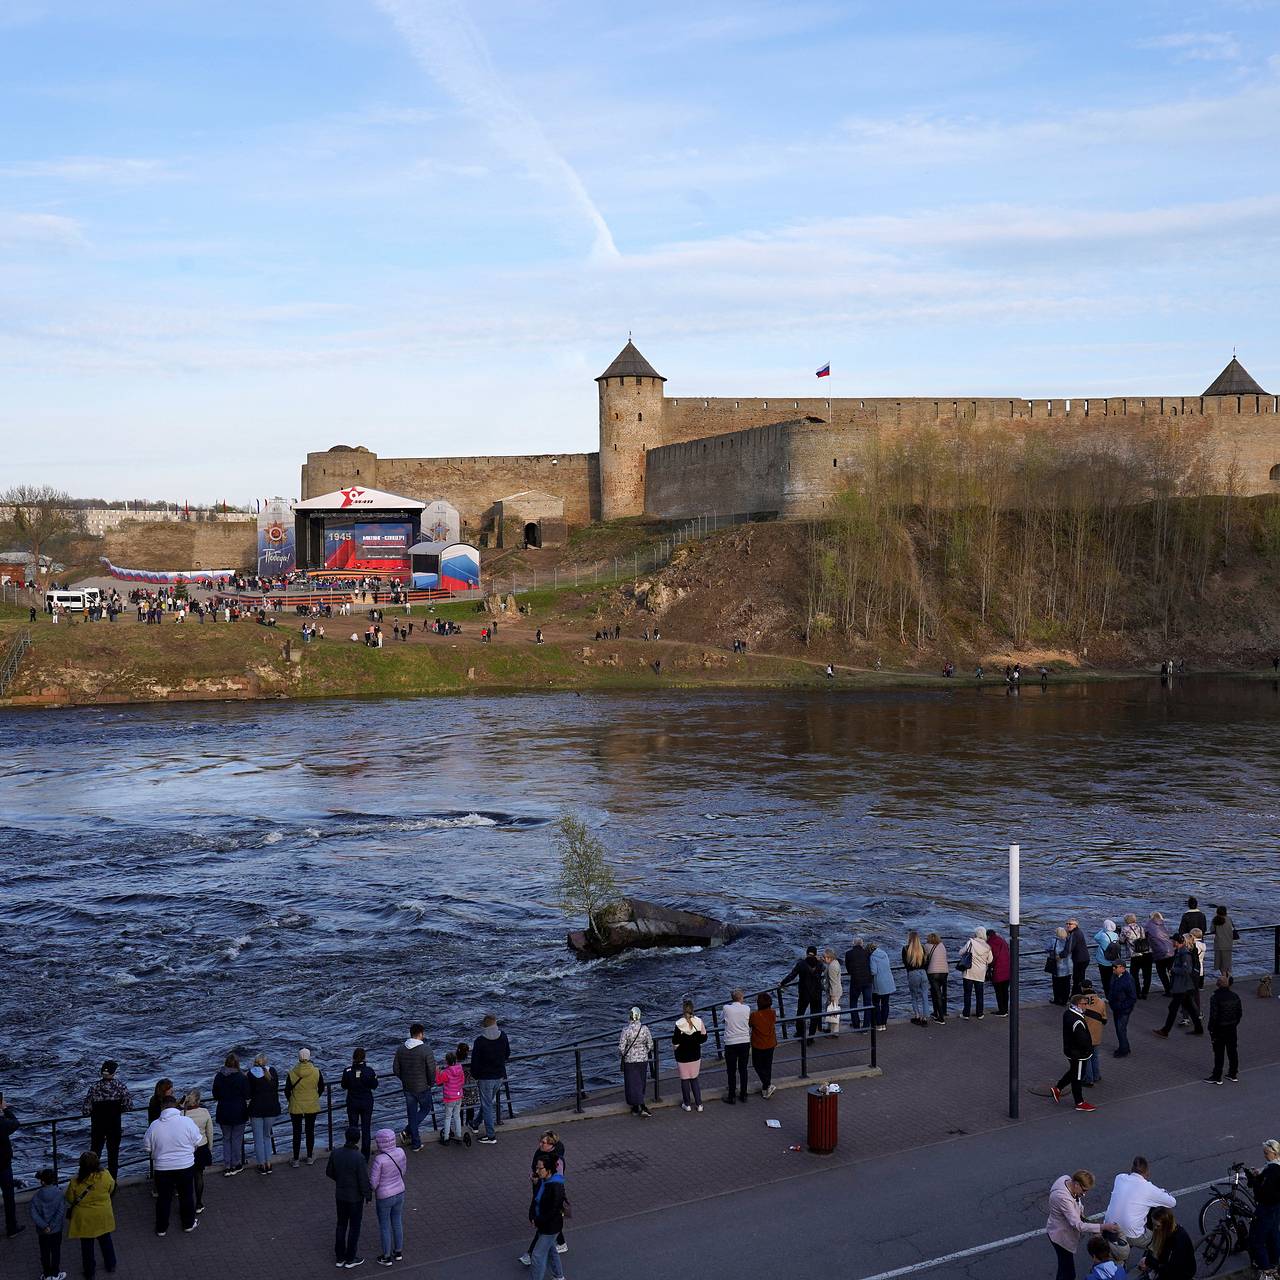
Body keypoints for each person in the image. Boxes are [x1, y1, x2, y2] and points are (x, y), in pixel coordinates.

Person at [143, 1097, 201, 1237]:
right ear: (175, 1107)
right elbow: (197, 1140)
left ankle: (161, 1228)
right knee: (186, 1195)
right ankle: (188, 1223)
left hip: (163, 1168)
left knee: (163, 1198)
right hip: (185, 1165)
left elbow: (147, 1147)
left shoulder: (154, 1125)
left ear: (162, 1108)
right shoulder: (186, 1121)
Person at [1046, 1170, 1115, 1280]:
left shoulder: (1066, 1180)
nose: (1084, 1194)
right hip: (1061, 1237)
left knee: (1063, 1267)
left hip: (1056, 1230)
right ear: (1076, 1184)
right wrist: (1102, 1227)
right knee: (1069, 1274)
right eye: (1083, 1190)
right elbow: (1078, 1225)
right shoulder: (1063, 1198)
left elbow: (1077, 1204)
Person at [1102, 1156, 1175, 1257]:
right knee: (1160, 1240)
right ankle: (1151, 1261)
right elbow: (1172, 1202)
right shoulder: (1148, 1188)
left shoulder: (1119, 1178)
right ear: (1147, 1173)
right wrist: (1162, 1191)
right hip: (1132, 1235)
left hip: (1109, 1227)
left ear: (1132, 1169)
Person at [326, 1125, 372, 1270]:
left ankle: (340, 1257)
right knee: (354, 1227)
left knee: (341, 1225)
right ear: (358, 1140)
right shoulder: (359, 1158)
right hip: (355, 1198)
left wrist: (340, 1180)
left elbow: (329, 1172)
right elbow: (363, 1180)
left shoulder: (336, 1153)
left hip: (340, 1196)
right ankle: (351, 1257)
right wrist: (368, 1195)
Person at [64, 1152, 116, 1279]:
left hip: (85, 1218)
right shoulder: (105, 1175)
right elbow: (111, 1188)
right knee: (106, 1241)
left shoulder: (75, 1181)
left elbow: (70, 1198)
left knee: (87, 1247)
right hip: (102, 1214)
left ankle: (89, 1272)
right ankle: (111, 1265)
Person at [519, 1132, 567, 1266]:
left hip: (547, 1192)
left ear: (551, 1145)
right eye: (540, 1141)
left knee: (545, 1226)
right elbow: (535, 1167)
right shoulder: (539, 1153)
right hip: (541, 1189)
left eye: (543, 1142)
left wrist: (537, 1219)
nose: (540, 1144)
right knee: (551, 1227)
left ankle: (530, 1254)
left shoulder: (557, 1162)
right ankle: (561, 1243)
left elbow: (556, 1181)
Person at [81, 1061, 132, 1182]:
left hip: (98, 1126)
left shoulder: (94, 1087)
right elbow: (128, 1106)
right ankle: (112, 1183)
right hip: (114, 1125)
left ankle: (91, 1181)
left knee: (95, 1153)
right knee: (113, 1156)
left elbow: (86, 1110)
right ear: (114, 1073)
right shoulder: (120, 1086)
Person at [391, 1023, 437, 1153]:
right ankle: (408, 1131)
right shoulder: (426, 1049)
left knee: (411, 1114)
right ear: (421, 1034)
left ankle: (416, 1143)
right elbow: (431, 1070)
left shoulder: (401, 1049)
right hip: (423, 1086)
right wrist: (430, 1083)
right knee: (426, 1108)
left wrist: (404, 1079)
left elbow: (395, 1069)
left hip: (408, 1087)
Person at [1153, 934, 1204, 1038]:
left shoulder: (1184, 954)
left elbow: (1187, 970)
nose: (1172, 942)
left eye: (1173, 941)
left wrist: (1173, 970)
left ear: (1177, 942)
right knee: (1190, 1007)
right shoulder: (1181, 952)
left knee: (1173, 1008)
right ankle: (1198, 1028)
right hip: (1185, 986)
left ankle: (1165, 1030)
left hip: (1182, 986)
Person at [370, 1129, 407, 1267]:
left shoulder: (379, 1160)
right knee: (397, 1221)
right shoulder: (401, 1152)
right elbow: (403, 1171)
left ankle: (386, 1257)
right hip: (400, 1191)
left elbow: (374, 1183)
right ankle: (398, 1252)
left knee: (385, 1225)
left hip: (384, 1196)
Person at [472, 1014, 511, 1145]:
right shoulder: (503, 1036)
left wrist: (475, 1076)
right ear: (495, 1024)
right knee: (487, 1103)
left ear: (484, 1025)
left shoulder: (479, 1041)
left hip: (485, 1077)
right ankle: (475, 1124)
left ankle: (490, 1135)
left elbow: (475, 1062)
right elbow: (507, 1054)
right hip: (499, 1076)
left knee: (487, 1104)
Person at [1052, 997, 1096, 1112]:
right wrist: (1088, 1050)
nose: (1086, 1006)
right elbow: (1082, 1039)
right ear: (1078, 1004)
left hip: (1070, 1050)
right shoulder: (1077, 1020)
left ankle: (1058, 1088)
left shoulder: (1068, 1013)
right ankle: (1079, 1102)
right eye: (1084, 1003)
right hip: (1078, 1054)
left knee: (1073, 1071)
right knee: (1077, 1077)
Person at [527, 1158, 566, 1280]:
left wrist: (538, 1220)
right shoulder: (544, 1181)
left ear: (549, 1170)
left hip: (550, 1227)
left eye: (540, 1168)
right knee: (550, 1249)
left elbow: (553, 1210)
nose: (537, 1171)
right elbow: (537, 1199)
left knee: (537, 1256)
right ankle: (559, 1276)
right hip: (545, 1224)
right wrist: (533, 1216)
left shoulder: (555, 1186)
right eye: (536, 1168)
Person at [1246, 1138, 1280, 1277]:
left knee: (1257, 1239)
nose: (1264, 1155)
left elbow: (1264, 1193)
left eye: (1266, 1153)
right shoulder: (1273, 1167)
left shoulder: (1273, 1170)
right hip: (1275, 1207)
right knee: (1273, 1235)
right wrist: (1259, 1176)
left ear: (1275, 1153)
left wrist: (1254, 1180)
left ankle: (1266, 1269)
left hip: (1267, 1208)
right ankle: (1274, 1262)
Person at [212, 1053, 251, 1175]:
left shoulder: (219, 1076)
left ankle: (227, 1165)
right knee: (237, 1139)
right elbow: (247, 1095)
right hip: (239, 1111)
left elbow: (215, 1094)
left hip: (223, 1111)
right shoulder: (241, 1077)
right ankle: (237, 1164)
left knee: (226, 1139)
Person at [285, 1047, 325, 1167]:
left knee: (296, 1132)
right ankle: (309, 1157)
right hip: (311, 1105)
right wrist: (315, 1096)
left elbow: (287, 1090)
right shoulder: (316, 1071)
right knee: (310, 1131)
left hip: (296, 1105)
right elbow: (321, 1087)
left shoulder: (292, 1073)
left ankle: (296, 1159)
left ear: (299, 1057)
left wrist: (291, 1099)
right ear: (309, 1057)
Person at [1205, 972, 1242, 1084]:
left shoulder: (1215, 997)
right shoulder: (1235, 996)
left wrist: (1211, 1028)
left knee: (1219, 1052)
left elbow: (1214, 1015)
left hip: (1219, 1028)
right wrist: (1234, 1023)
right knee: (1232, 1051)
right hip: (1231, 1027)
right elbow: (1239, 1013)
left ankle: (1217, 1076)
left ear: (1218, 984)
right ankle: (1233, 1073)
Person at [28, 1167, 65, 1280]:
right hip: (56, 1230)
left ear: (42, 1181)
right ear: (53, 1180)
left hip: (42, 1231)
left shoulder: (36, 1196)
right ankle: (55, 1273)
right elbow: (60, 1212)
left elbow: (33, 1214)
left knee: (44, 1252)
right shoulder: (59, 1194)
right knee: (55, 1251)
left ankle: (46, 1273)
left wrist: (44, 1226)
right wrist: (51, 1226)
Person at [341, 1048, 379, 1159]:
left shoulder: (347, 1071)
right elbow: (375, 1085)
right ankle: (365, 1156)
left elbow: (343, 1086)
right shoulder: (369, 1071)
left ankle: (351, 1154)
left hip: (353, 1102)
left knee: (352, 1128)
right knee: (366, 1128)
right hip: (366, 1102)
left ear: (353, 1057)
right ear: (364, 1057)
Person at [181, 1089, 214, 1214]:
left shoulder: (181, 1115)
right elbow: (209, 1132)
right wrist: (210, 1148)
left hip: (186, 1149)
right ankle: (199, 1202)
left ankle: (187, 1203)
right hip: (201, 1147)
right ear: (199, 1100)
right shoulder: (205, 1112)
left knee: (186, 1178)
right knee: (199, 1175)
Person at [1140, 1207, 1195, 1280]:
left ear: (1167, 1224)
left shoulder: (1178, 1240)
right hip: (1169, 1268)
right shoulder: (1165, 1231)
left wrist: (1149, 1262)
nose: (1155, 1228)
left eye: (1157, 1226)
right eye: (1154, 1224)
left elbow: (1171, 1268)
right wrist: (1148, 1260)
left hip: (1181, 1273)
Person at [247, 1053, 281, 1174]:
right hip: (271, 1108)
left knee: (258, 1138)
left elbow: (248, 1093)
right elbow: (276, 1086)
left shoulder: (250, 1074)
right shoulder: (272, 1071)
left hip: (256, 1109)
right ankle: (269, 1163)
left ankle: (262, 1165)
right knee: (267, 1136)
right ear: (265, 1061)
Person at [784, 945, 825, 1042]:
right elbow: (824, 971)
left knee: (800, 1013)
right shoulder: (819, 964)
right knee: (814, 1014)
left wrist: (782, 983)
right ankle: (811, 1036)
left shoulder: (801, 964)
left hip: (804, 993)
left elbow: (792, 975)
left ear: (806, 953)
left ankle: (800, 1034)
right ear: (816, 954)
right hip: (816, 993)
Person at [672, 1000, 708, 1112]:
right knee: (694, 1079)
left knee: (684, 1080)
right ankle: (699, 1104)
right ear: (693, 1009)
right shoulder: (699, 1021)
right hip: (695, 1054)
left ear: (683, 1010)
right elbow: (704, 1037)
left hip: (682, 1056)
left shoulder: (679, 1024)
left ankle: (687, 1104)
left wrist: (676, 1046)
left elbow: (675, 1041)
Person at [619, 1007, 655, 1116]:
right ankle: (641, 1104)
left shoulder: (626, 1030)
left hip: (630, 1060)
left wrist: (625, 1054)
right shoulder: (645, 1029)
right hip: (642, 1059)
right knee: (640, 1082)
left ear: (630, 1016)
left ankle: (636, 1106)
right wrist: (643, 1051)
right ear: (639, 1016)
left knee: (631, 1083)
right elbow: (650, 1045)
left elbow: (621, 1048)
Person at [1076, 980, 1108, 1086]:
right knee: (1095, 1056)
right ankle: (1096, 1075)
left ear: (1083, 988)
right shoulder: (1101, 1001)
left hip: (1085, 1035)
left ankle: (1088, 1080)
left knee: (1086, 1058)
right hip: (1097, 1033)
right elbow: (1104, 1019)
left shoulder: (1080, 1003)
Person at [435, 1052, 469, 1146]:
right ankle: (459, 1136)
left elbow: (438, 1082)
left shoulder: (446, 1072)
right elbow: (462, 1081)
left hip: (449, 1098)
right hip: (459, 1096)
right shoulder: (460, 1069)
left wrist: (438, 1072)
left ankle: (446, 1138)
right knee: (457, 1116)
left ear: (446, 1061)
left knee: (447, 1117)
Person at [960, 928, 993, 1020]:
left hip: (969, 972)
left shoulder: (971, 943)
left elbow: (961, 952)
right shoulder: (987, 947)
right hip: (980, 973)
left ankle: (966, 1014)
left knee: (967, 994)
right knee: (979, 994)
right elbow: (990, 960)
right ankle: (980, 1013)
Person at [749, 992, 777, 1097]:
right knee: (767, 1065)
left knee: (757, 1065)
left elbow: (750, 1024)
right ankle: (766, 1089)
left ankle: (767, 1084)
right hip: (770, 1043)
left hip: (759, 1044)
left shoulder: (755, 1015)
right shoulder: (773, 1013)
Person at [844, 937, 874, 1033]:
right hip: (867, 981)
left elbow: (848, 969)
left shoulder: (848, 954)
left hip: (856, 981)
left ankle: (856, 1025)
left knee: (853, 1003)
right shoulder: (867, 953)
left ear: (853, 944)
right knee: (867, 1003)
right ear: (862, 944)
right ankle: (866, 1027)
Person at [1107, 961, 1137, 1058]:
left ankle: (1123, 1050)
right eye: (1113, 967)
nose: (1113, 969)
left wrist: (1121, 1006)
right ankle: (1124, 1047)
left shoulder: (1128, 980)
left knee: (1120, 1029)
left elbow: (1132, 997)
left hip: (1123, 1010)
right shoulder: (1115, 976)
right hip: (1117, 1007)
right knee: (1120, 1029)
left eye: (1115, 967)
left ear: (1122, 968)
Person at [1121, 914, 1152, 999]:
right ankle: (1145, 992)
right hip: (1146, 954)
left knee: (1134, 975)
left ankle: (1137, 992)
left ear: (1126, 920)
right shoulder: (1141, 927)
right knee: (1147, 975)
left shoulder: (1125, 929)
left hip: (1135, 955)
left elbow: (1121, 940)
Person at [0, 1091, 17, 1239]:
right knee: (8, 1196)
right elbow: (15, 1123)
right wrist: (5, 1109)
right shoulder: (2, 1123)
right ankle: (11, 1228)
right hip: (3, 1164)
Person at [902, 930, 929, 1027]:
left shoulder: (905, 949)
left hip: (913, 973)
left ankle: (917, 1016)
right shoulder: (922, 948)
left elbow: (905, 963)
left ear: (909, 938)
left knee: (914, 996)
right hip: (923, 973)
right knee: (925, 996)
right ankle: (925, 1017)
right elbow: (927, 962)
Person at [868, 940, 896, 1030]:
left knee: (876, 1004)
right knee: (885, 1004)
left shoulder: (872, 957)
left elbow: (873, 971)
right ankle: (884, 1023)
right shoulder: (884, 953)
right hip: (888, 981)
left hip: (879, 983)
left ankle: (878, 1024)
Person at [1146, 912, 1174, 994]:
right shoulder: (1163, 925)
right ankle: (1174, 989)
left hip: (1159, 952)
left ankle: (1168, 990)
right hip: (1170, 949)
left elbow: (1144, 935)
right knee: (1171, 971)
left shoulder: (1149, 925)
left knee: (1161, 972)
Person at [924, 933, 949, 1023]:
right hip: (945, 971)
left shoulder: (926, 946)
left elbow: (924, 958)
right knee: (939, 993)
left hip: (933, 972)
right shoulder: (942, 945)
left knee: (936, 993)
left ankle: (940, 1017)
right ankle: (938, 1012)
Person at [986, 928, 1011, 1016]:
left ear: (988, 936)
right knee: (1005, 991)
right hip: (1007, 970)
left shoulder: (991, 943)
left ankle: (1002, 1011)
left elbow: (992, 958)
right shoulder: (1002, 940)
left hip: (998, 971)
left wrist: (989, 966)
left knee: (999, 992)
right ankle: (1006, 1009)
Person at [1093, 919, 1121, 997]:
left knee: (1105, 980)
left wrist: (1103, 929)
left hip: (1103, 961)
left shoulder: (1103, 935)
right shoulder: (1115, 935)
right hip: (1114, 960)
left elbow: (1095, 937)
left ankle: (1108, 996)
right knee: (1113, 979)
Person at [1048, 927, 1073, 1006]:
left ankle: (1057, 999)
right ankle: (1064, 1001)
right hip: (1068, 966)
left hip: (1057, 966)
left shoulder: (1054, 940)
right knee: (1066, 984)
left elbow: (1047, 948)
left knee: (1056, 984)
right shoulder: (1069, 941)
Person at [822, 947, 843, 1035]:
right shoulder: (835, 963)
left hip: (834, 992)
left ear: (829, 957)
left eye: (824, 957)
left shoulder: (832, 967)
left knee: (833, 1011)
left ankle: (834, 1032)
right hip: (836, 991)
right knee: (831, 1010)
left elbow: (833, 982)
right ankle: (830, 1028)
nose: (823, 959)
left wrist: (832, 996)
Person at [1066, 918, 1090, 993]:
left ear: (1075, 925)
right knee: (1080, 978)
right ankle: (1079, 994)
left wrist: (1061, 955)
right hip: (1084, 958)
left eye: (1070, 924)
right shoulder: (1078, 932)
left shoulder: (1074, 934)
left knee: (1077, 979)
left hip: (1079, 960)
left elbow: (1069, 948)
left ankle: (1076, 995)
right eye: (1067, 923)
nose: (1068, 925)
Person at [1211, 905, 1236, 975]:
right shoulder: (1229, 919)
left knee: (1220, 965)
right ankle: (1227, 979)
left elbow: (1212, 930)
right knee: (1227, 965)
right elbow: (1233, 929)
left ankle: (1224, 979)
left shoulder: (1215, 920)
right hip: (1228, 944)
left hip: (1219, 945)